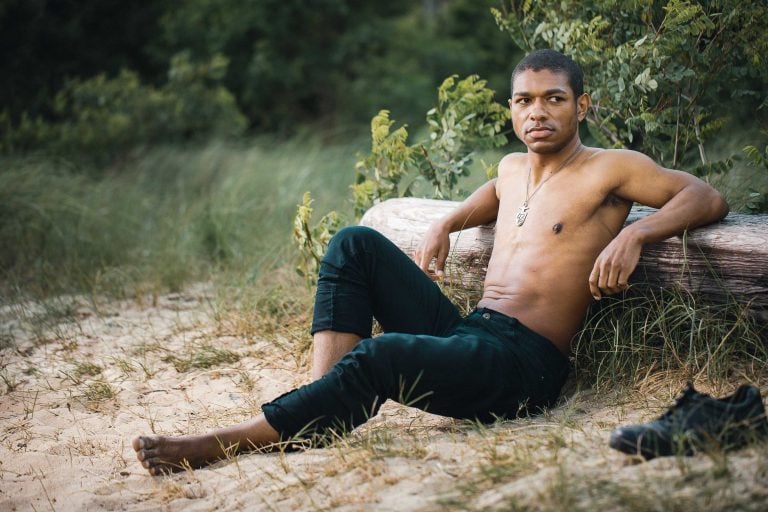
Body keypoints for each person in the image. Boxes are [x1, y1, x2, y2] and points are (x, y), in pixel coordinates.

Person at [133, 49, 728, 475]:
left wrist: (635, 236)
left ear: (582, 105)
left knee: (382, 353)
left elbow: (706, 196)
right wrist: (446, 221)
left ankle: (224, 442)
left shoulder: (611, 167)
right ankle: (320, 404)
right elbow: (495, 196)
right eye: (525, 101)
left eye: (555, 99)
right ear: (512, 109)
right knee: (351, 243)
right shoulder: (512, 167)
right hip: (473, 332)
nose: (538, 112)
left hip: (525, 365)